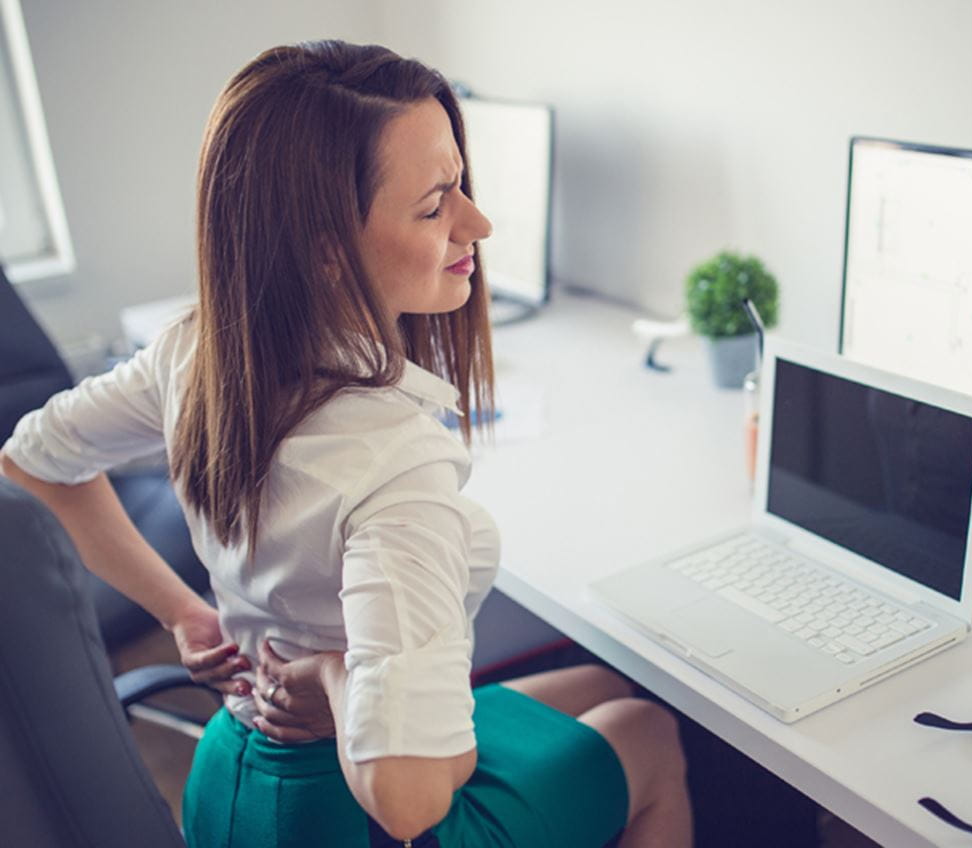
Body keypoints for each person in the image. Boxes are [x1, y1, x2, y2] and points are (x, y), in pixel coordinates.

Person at [0, 41, 692, 848]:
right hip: (342, 808)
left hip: (231, 764)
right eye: (436, 206)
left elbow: (30, 460)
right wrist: (333, 676)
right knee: (645, 729)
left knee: (599, 683)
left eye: (461, 185)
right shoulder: (394, 476)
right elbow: (407, 801)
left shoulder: (201, 348)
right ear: (327, 251)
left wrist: (187, 617)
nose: (478, 222)